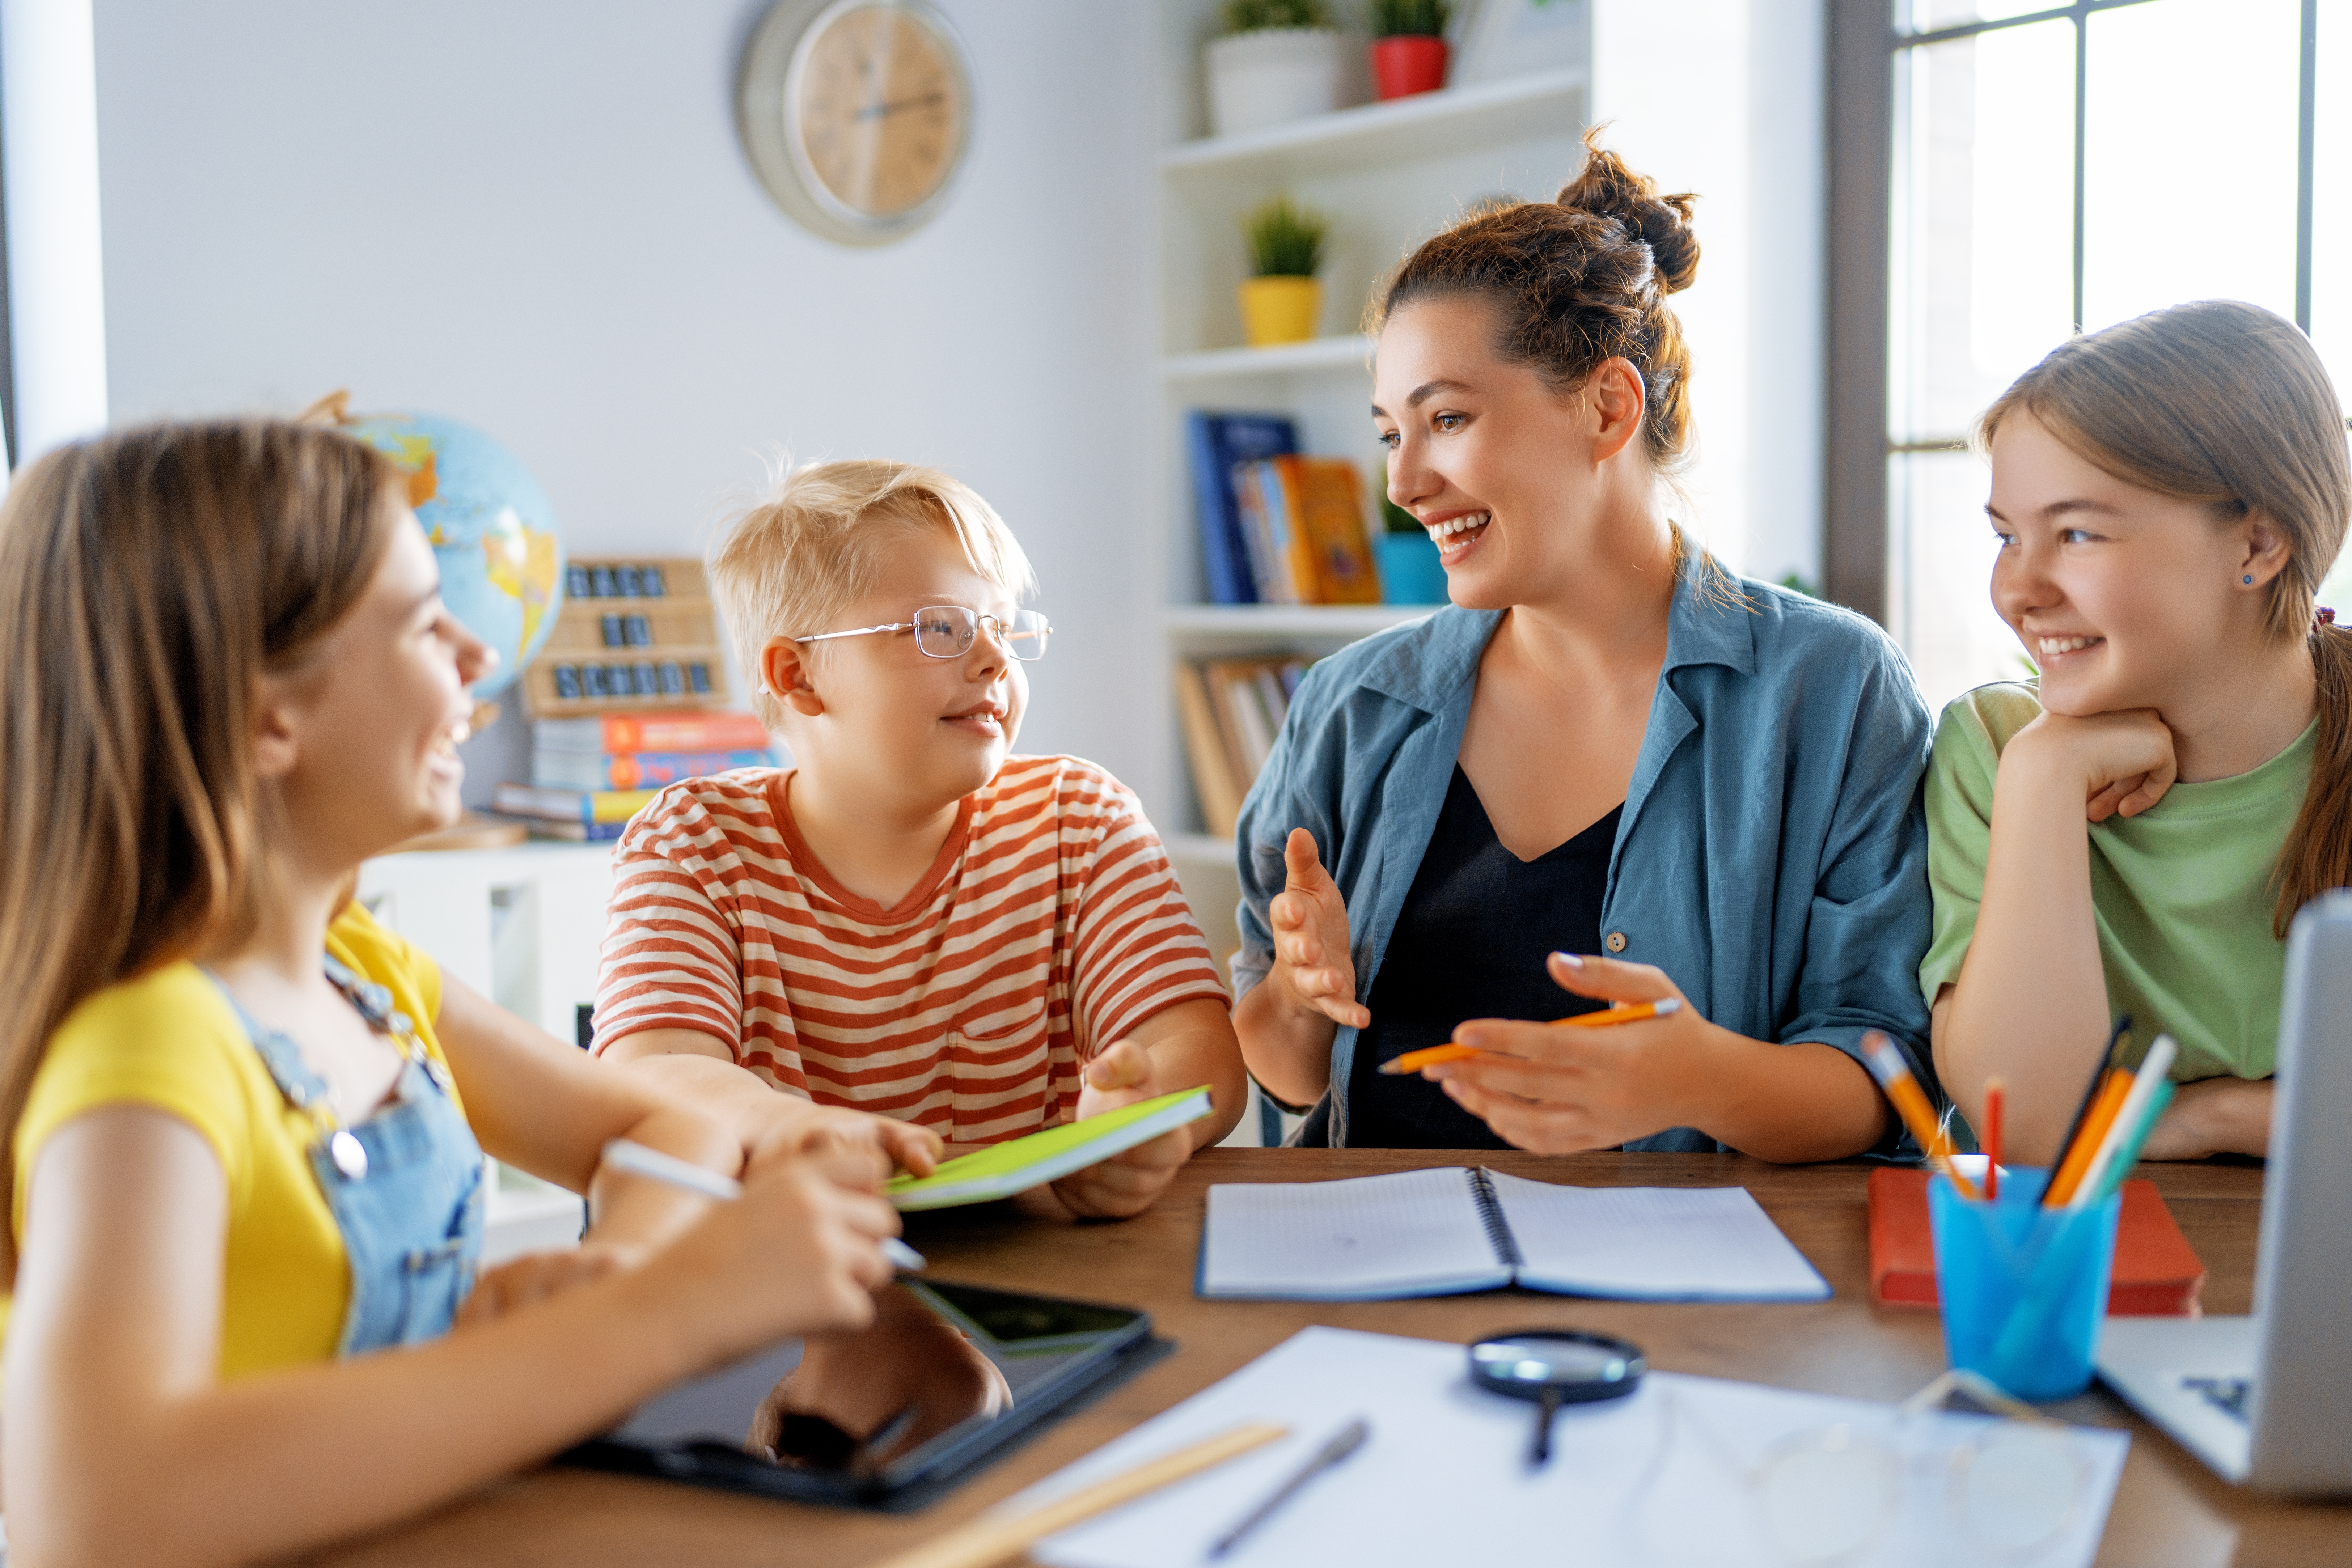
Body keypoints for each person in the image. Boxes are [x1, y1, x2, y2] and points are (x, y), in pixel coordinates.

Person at [0, 421, 916, 1568]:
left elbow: (660, 1120)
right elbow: (89, 1509)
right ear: (269, 714)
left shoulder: (366, 975)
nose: (478, 655)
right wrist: (654, 1316)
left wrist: (617, 1265)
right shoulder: (150, 1053)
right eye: (422, 622)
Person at [1232, 134, 1935, 1156]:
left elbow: (1886, 1077)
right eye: (1392, 431)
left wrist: (1703, 1078)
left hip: (1684, 1292)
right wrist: (1301, 994)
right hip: (1374, 1281)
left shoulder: (1830, 689)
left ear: (1607, 408)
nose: (1402, 481)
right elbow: (1288, 1072)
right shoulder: (1350, 705)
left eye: (1449, 418)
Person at [594, 459, 1245, 1217]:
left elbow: (1200, 1050)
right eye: (942, 627)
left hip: (1043, 1274)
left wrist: (1138, 1125)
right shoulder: (691, 843)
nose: (995, 656)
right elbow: (658, 1074)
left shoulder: (1081, 817)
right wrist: (805, 1132)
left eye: (1003, 625)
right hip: (788, 1282)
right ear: (798, 677)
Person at [1924, 300, 2352, 1165]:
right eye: (2008, 536)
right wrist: (2045, 777)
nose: (2017, 590)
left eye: (2077, 533)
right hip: (2076, 1286)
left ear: (2259, 542)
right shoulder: (1996, 750)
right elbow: (2031, 1126)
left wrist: (2170, 1123)